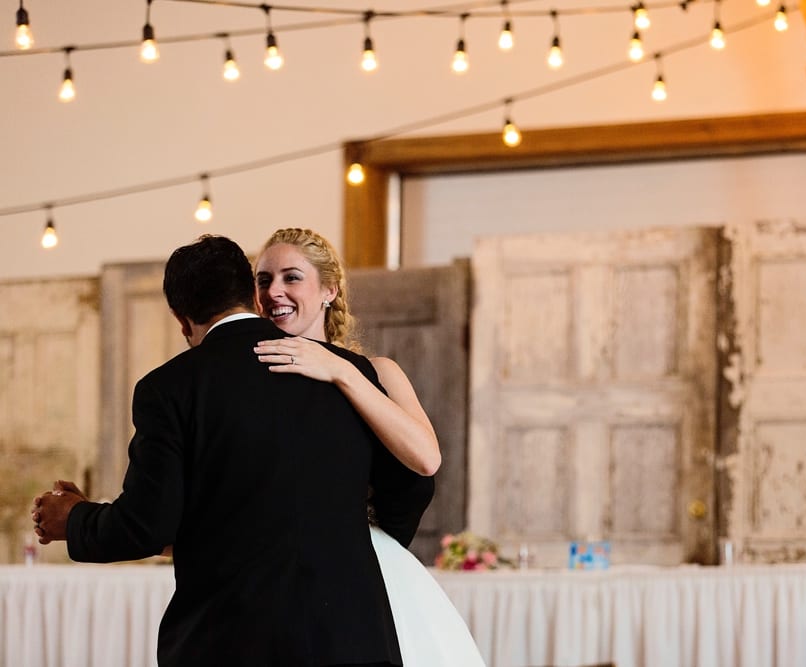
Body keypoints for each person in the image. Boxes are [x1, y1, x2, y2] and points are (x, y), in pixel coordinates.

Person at [31, 234, 433, 667]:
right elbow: (412, 485)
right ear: (251, 294)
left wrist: (73, 519)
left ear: (180, 319)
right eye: (266, 279)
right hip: (352, 637)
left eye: (292, 277)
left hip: (230, 639)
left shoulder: (170, 388)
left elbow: (149, 524)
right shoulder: (353, 374)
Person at [252, 227, 486, 667]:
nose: (274, 291)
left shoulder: (377, 371)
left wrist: (341, 372)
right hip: (270, 572)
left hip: (366, 568)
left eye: (291, 277)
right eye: (264, 280)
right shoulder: (248, 376)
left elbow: (425, 457)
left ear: (328, 290)